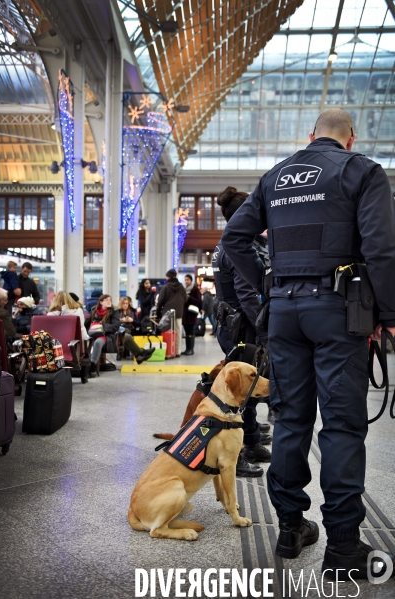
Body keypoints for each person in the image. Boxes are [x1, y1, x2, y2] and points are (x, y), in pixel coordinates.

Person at [222, 109, 395, 579]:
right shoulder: (362, 171)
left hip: (283, 313)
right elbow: (381, 250)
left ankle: (290, 527)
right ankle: (342, 547)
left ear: (310, 135)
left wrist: (267, 285)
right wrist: (391, 315)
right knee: (340, 426)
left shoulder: (276, 176)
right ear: (350, 138)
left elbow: (234, 236)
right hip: (338, 312)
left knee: (291, 418)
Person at [213, 186, 272, 478]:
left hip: (233, 325)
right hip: (243, 326)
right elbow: (248, 295)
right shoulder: (239, 246)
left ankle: (251, 440)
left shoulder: (227, 242)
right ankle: (240, 452)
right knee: (243, 391)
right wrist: (266, 332)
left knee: (248, 388)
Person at [84, 294, 120, 374]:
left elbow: (115, 326)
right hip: (92, 333)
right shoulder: (94, 310)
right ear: (101, 302)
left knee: (97, 342)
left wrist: (102, 325)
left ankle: (92, 366)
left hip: (106, 335)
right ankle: (84, 365)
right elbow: (86, 324)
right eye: (107, 300)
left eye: (110, 300)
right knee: (85, 341)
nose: (109, 301)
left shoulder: (114, 311)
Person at [156, 269, 187, 358]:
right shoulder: (181, 287)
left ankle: (169, 351)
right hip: (178, 313)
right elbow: (185, 299)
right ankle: (177, 352)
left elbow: (160, 301)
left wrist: (158, 312)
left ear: (168, 277)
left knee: (168, 332)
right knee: (178, 331)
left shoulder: (165, 287)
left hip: (167, 314)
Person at [117, 296, 155, 363]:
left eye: (126, 303)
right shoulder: (117, 312)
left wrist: (132, 320)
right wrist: (121, 320)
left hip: (130, 329)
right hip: (120, 329)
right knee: (126, 334)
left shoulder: (132, 311)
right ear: (121, 304)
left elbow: (138, 323)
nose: (125, 305)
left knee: (128, 333)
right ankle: (141, 353)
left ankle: (139, 355)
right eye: (123, 303)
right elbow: (114, 323)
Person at [181, 274, 202, 356]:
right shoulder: (184, 289)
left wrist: (188, 297)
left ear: (191, 280)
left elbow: (198, 301)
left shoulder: (195, 289)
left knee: (191, 332)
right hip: (185, 314)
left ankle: (191, 349)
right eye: (185, 280)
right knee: (186, 333)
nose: (186, 281)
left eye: (188, 280)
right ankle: (187, 349)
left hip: (191, 314)